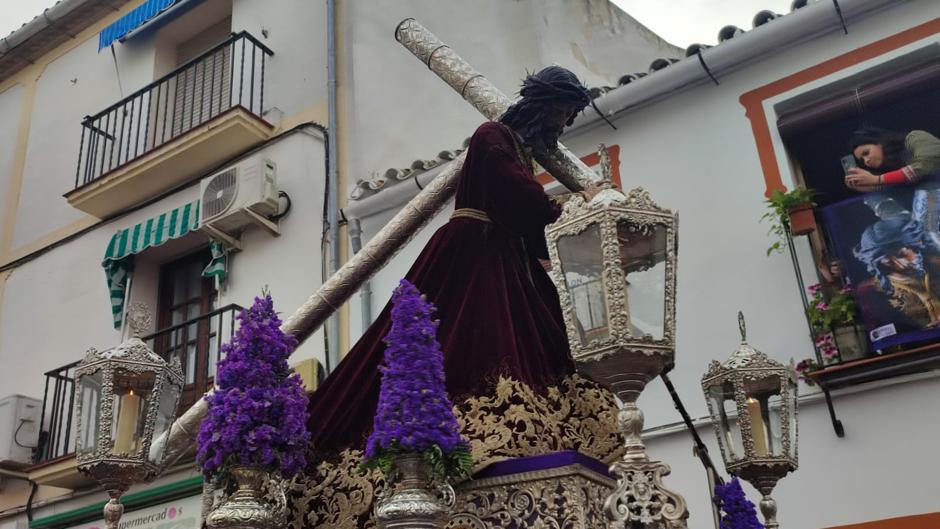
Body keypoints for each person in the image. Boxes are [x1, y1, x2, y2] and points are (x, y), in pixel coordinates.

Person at [292, 67, 623, 528]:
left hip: (509, 259)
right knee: (471, 344)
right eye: (560, 110)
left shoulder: (522, 151)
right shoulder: (492, 135)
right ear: (541, 102)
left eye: (567, 115)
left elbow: (530, 226)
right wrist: (576, 200)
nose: (562, 122)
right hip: (472, 254)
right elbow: (517, 198)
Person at [853, 213, 940, 330]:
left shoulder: (937, 265)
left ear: (915, 246)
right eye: (888, 262)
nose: (901, 265)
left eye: (903, 254)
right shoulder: (870, 290)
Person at [845, 127, 940, 193]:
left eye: (866, 153)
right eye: (862, 160)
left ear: (879, 143)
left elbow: (923, 166)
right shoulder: (891, 171)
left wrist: (877, 180)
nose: (866, 161)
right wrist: (869, 187)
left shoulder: (915, 138)